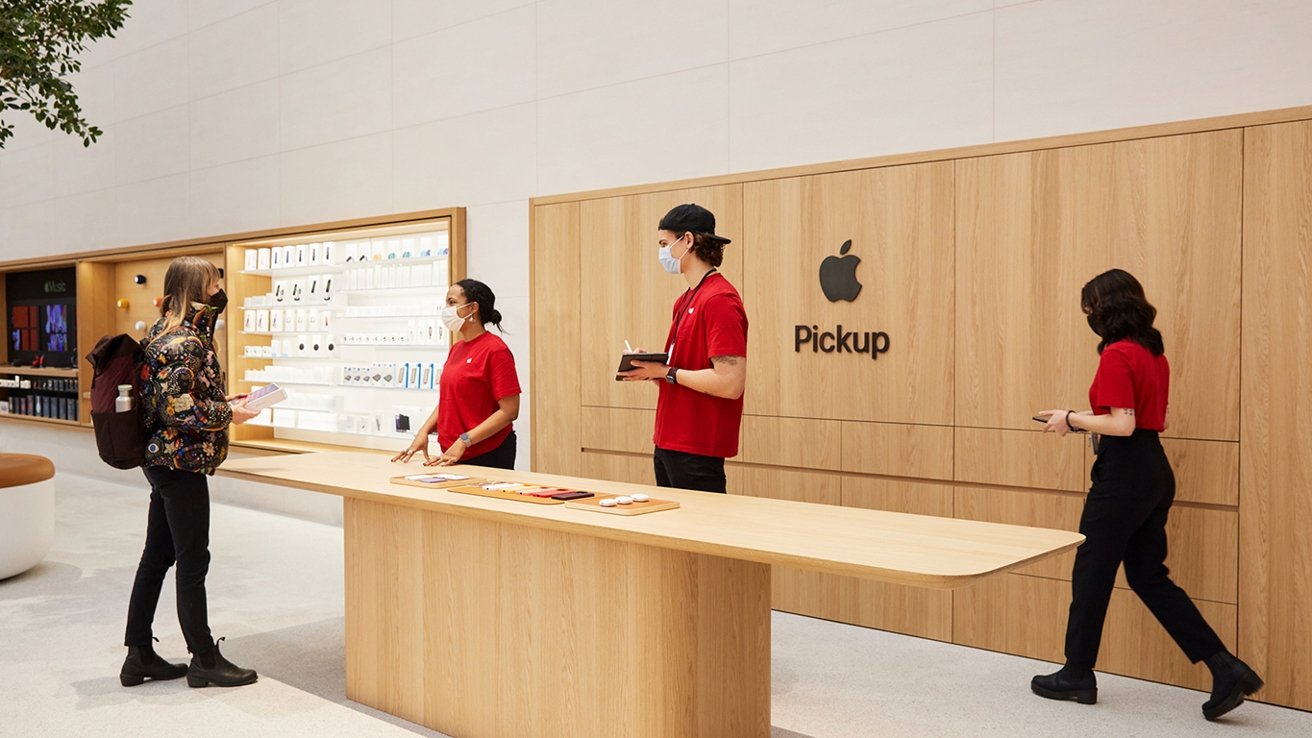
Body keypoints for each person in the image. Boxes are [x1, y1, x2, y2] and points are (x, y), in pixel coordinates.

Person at [1031, 268, 1262, 721]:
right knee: (1148, 576)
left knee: (1091, 572)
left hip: (1123, 475)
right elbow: (1158, 420)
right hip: (1154, 471)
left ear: (1107, 308)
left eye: (1092, 309)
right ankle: (1225, 667)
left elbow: (1122, 424)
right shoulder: (1153, 354)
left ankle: (1077, 674)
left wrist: (1071, 418)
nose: (1090, 317)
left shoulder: (1117, 354)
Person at [121, 256, 260, 689]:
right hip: (179, 462)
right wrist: (229, 412)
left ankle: (138, 654)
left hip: (166, 460)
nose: (220, 286)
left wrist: (223, 403)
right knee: (192, 559)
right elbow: (178, 409)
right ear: (199, 287)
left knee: (158, 556)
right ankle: (203, 657)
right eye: (214, 281)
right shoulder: (182, 341)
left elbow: (184, 392)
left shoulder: (169, 331)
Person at [619, 203, 747, 493]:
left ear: (688, 240)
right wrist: (652, 371)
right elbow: (681, 373)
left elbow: (730, 382)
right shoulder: (686, 299)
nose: (662, 252)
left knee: (702, 534)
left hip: (697, 447)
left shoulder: (719, 299)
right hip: (668, 441)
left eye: (665, 244)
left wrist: (666, 372)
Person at [393, 279, 521, 469]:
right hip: (453, 453)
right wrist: (424, 431)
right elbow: (449, 400)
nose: (446, 309)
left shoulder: (495, 350)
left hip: (487, 453)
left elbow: (509, 411)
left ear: (473, 308)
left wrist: (464, 440)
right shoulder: (457, 349)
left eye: (452, 303)